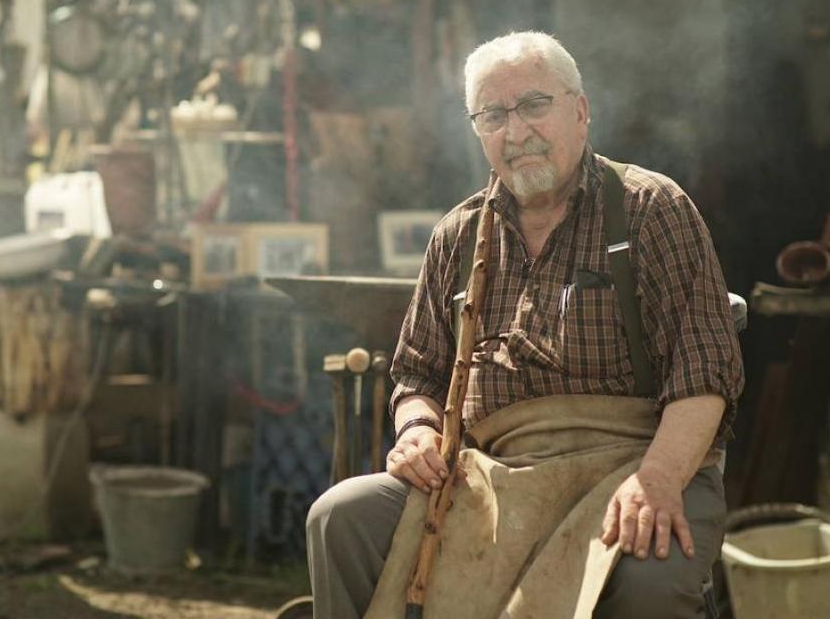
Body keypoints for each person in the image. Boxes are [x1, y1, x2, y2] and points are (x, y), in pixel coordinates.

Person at [306, 31, 744, 618]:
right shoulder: (458, 236)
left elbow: (704, 373)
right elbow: (417, 374)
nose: (517, 132)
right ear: (478, 131)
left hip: (632, 464)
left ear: (580, 111)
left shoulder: (649, 209)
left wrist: (659, 479)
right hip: (490, 480)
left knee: (648, 582)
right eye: (494, 115)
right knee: (342, 517)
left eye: (535, 106)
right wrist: (416, 430)